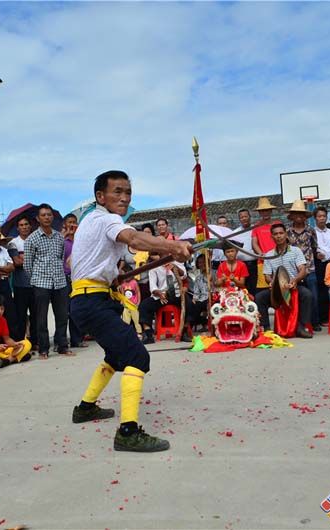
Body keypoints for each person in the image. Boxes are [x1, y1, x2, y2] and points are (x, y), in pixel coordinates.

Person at [69, 169, 191, 452]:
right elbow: (136, 240)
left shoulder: (92, 221)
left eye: (128, 192)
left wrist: (172, 252)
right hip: (92, 301)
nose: (124, 198)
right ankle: (128, 432)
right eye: (117, 192)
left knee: (115, 355)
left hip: (90, 299)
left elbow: (130, 254)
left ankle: (85, 408)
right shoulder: (107, 219)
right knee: (137, 355)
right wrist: (174, 245)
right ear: (101, 196)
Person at [24, 204, 72, 359]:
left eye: (49, 215)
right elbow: (27, 264)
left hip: (59, 281)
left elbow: (61, 258)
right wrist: (36, 279)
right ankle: (44, 349)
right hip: (41, 282)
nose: (47, 217)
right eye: (43, 215)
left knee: (62, 315)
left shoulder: (59, 237)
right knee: (41, 318)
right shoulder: (32, 239)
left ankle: (62, 346)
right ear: (38, 218)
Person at [254, 223, 314, 339]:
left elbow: (302, 269)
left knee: (307, 295)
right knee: (260, 297)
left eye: (281, 233)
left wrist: (295, 280)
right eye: (275, 234)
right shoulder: (269, 255)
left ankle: (301, 327)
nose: (279, 236)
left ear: (286, 234)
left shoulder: (296, 251)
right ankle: (266, 329)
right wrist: (271, 282)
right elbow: (267, 275)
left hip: (293, 287)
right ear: (271, 237)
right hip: (277, 291)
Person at [287, 200, 321, 331]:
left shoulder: (310, 230)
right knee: (297, 297)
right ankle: (298, 322)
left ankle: (315, 322)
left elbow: (314, 246)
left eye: (301, 215)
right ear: (292, 216)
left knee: (313, 296)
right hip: (294, 271)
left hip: (309, 268)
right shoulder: (287, 231)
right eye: (296, 214)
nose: (299, 217)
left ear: (305, 216)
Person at [138, 253, 185, 344]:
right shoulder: (154, 268)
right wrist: (159, 293)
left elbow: (184, 275)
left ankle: (185, 331)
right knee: (144, 306)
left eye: (168, 260)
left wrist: (175, 268)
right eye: (164, 260)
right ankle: (148, 334)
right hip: (161, 296)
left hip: (177, 294)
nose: (166, 263)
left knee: (189, 304)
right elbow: (153, 287)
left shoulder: (176, 263)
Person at [7, 215, 37, 345]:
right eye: (21, 225)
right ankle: (20, 341)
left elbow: (43, 259)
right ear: (17, 228)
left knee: (37, 315)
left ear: (30, 226)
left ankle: (35, 341)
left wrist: (24, 256)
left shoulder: (37, 240)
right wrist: (33, 257)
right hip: (20, 285)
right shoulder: (13, 243)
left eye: (26, 224)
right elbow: (17, 262)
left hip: (36, 283)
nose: (24, 227)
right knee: (21, 316)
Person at [62, 213, 85, 347]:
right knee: (64, 310)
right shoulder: (62, 241)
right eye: (69, 222)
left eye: (74, 222)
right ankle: (63, 340)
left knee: (76, 309)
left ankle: (77, 339)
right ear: (65, 224)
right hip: (65, 278)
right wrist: (65, 235)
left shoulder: (80, 240)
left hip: (78, 278)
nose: (72, 225)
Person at [314, 206, 330, 325]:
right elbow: (311, 248)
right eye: (319, 216)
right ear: (315, 218)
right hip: (320, 264)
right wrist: (316, 254)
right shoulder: (312, 232)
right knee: (322, 290)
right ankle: (324, 318)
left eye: (324, 216)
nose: (322, 218)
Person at [251, 197, 276, 291]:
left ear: (271, 211)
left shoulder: (277, 224)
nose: (265, 213)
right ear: (259, 213)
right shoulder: (256, 227)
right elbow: (254, 243)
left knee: (280, 285)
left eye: (267, 210)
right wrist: (260, 253)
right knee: (265, 288)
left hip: (277, 259)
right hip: (263, 261)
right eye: (263, 211)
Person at [185, 253, 212, 331]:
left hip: (211, 297)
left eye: (203, 262)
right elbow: (196, 292)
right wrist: (194, 299)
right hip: (201, 299)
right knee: (192, 306)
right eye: (199, 262)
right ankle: (189, 326)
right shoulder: (198, 278)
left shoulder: (213, 274)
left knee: (207, 303)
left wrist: (211, 281)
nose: (201, 264)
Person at [235, 208, 258, 296]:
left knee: (255, 288)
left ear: (250, 217)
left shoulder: (255, 229)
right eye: (241, 217)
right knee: (243, 290)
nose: (244, 218)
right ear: (239, 219)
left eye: (246, 216)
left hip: (254, 264)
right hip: (241, 265)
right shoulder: (235, 233)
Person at [118, 263, 142, 339]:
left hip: (134, 305)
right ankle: (126, 334)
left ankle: (139, 333)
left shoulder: (134, 282)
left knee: (136, 320)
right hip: (126, 306)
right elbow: (122, 294)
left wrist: (138, 302)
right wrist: (122, 302)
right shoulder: (123, 284)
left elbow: (138, 292)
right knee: (125, 321)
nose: (126, 277)